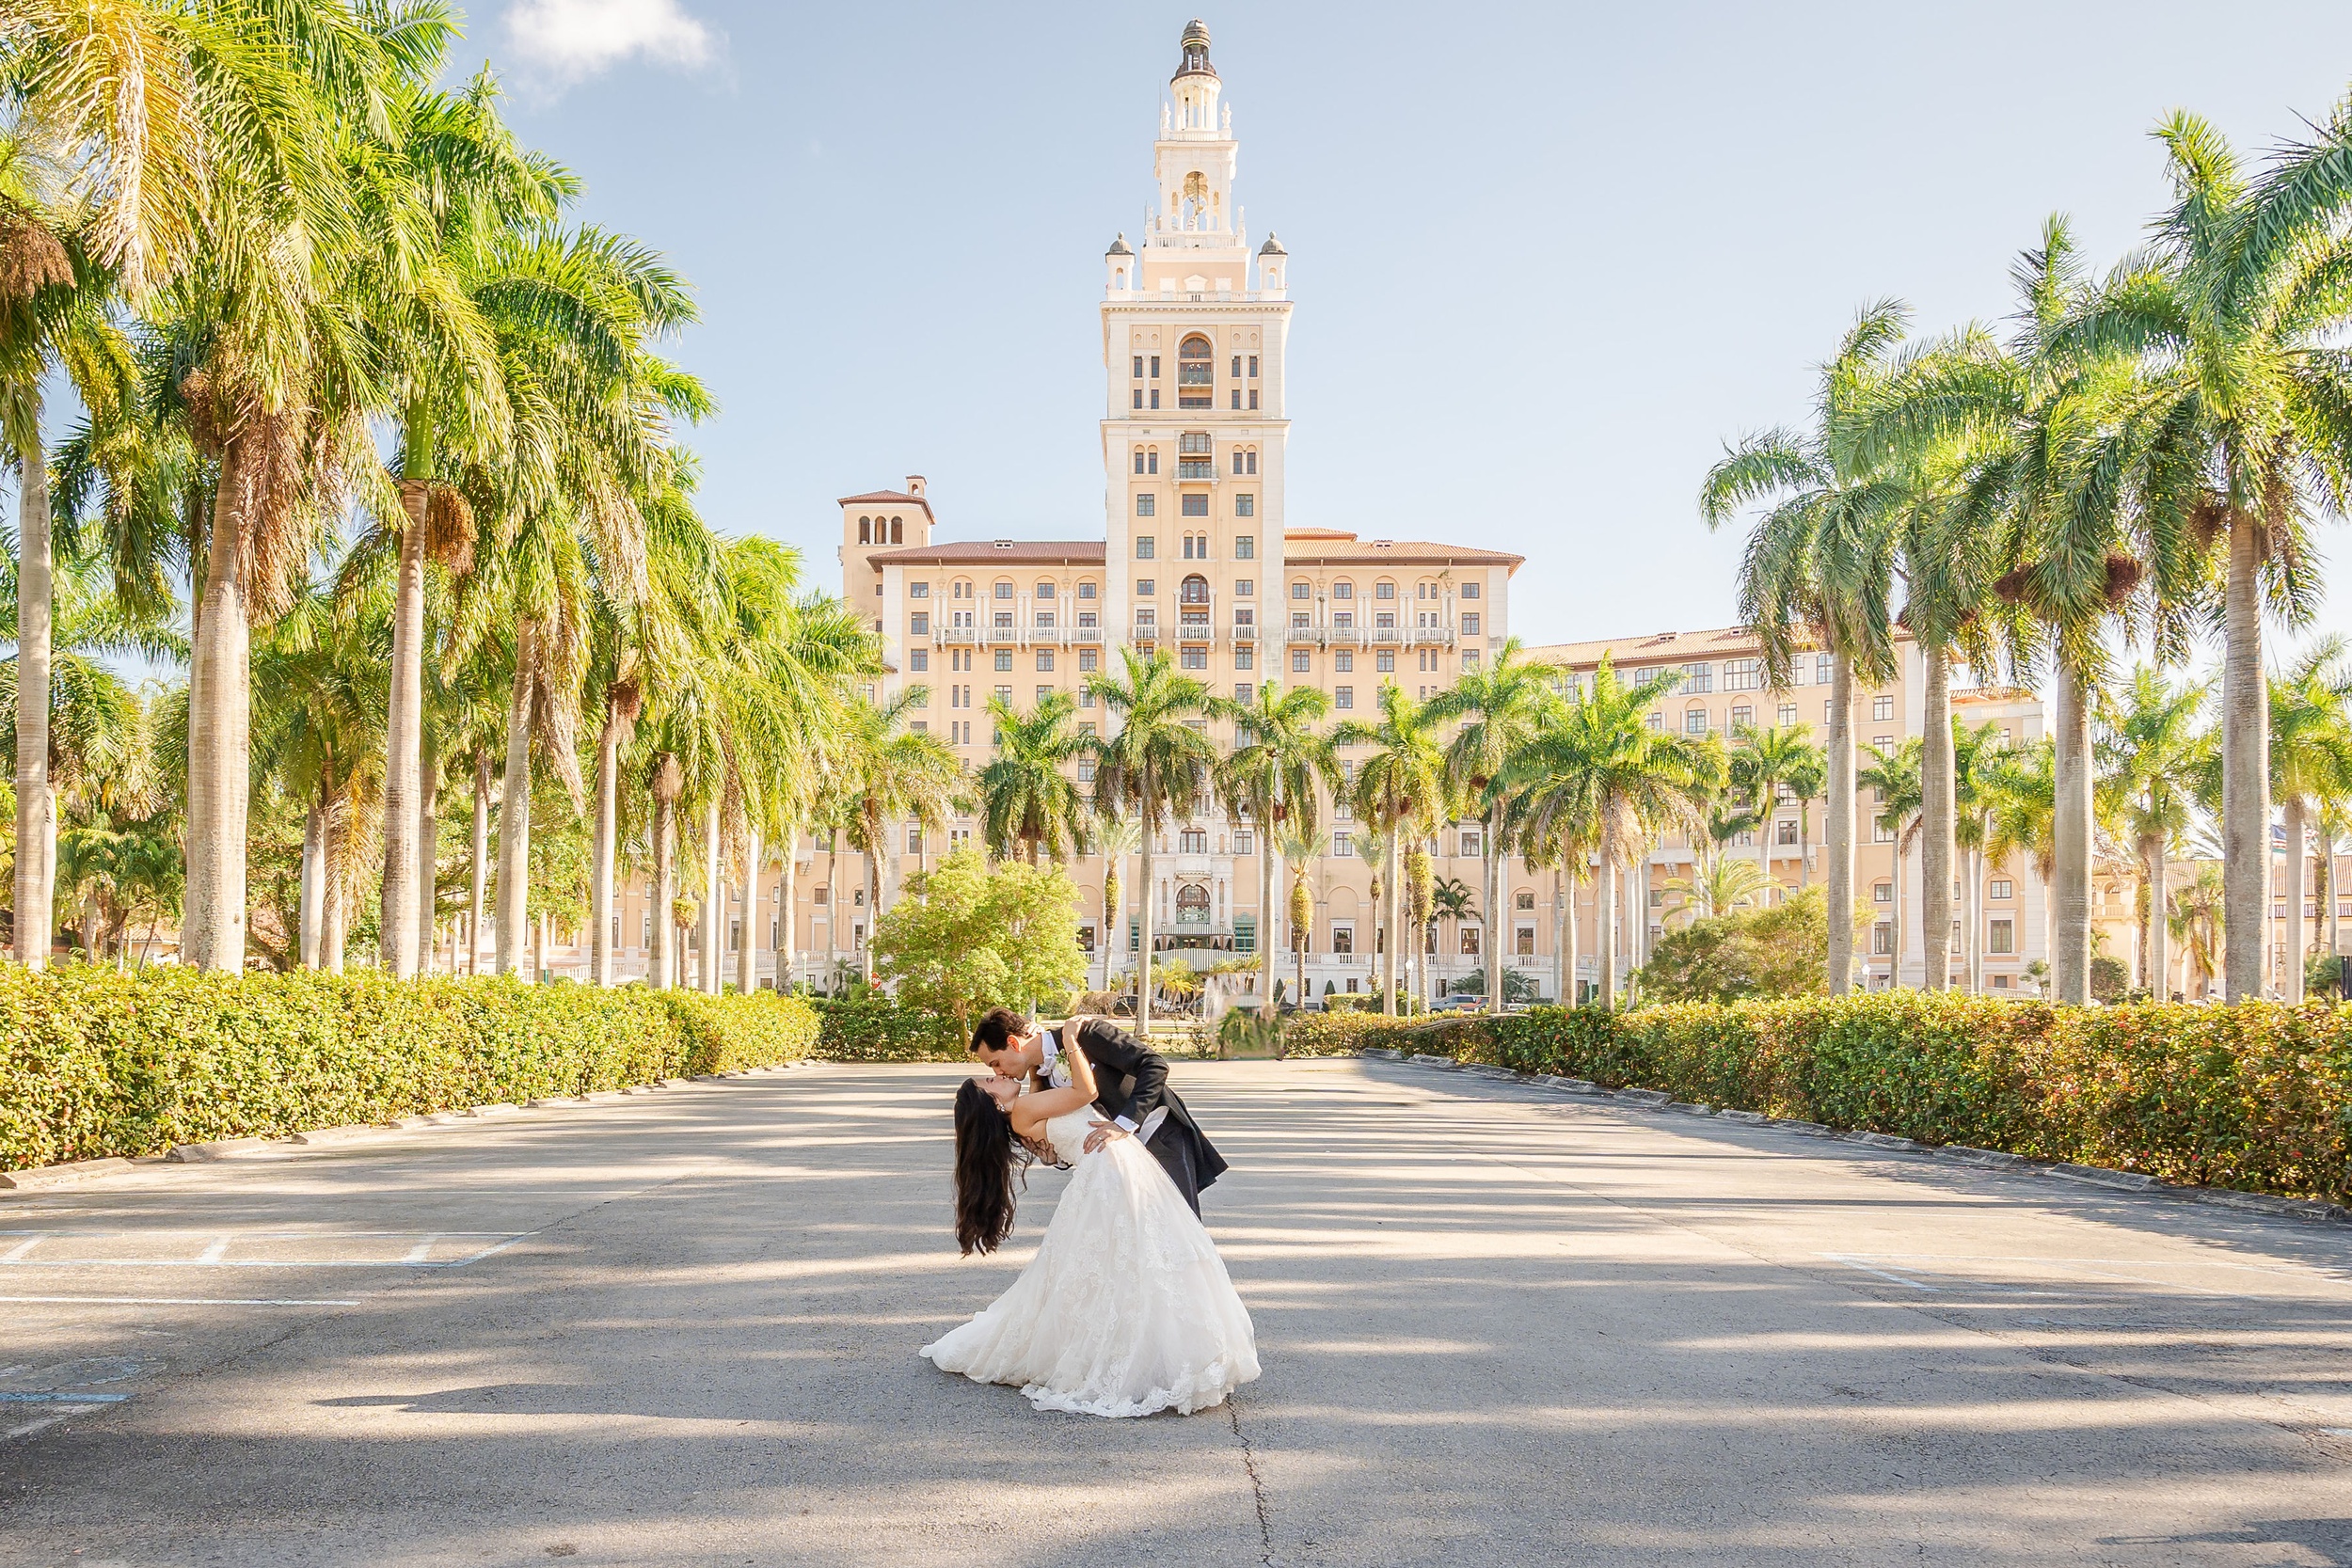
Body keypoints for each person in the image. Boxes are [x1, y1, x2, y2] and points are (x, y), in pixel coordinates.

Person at [921, 1033, 1259, 1418]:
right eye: (990, 1080)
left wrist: (1036, 1065)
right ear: (994, 1102)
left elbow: (1057, 1107)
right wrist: (1071, 1040)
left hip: (1119, 1170)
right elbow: (1084, 1092)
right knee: (1144, 1261)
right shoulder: (1023, 1111)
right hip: (1112, 1175)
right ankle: (1156, 1356)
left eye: (993, 1069)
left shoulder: (1027, 1107)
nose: (997, 1074)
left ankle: (1157, 1353)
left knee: (1134, 1263)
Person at [968, 1007, 1227, 1216]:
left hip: (1159, 1137)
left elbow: (1154, 1065)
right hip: (1118, 1168)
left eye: (995, 1063)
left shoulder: (1085, 1032)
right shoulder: (1041, 1081)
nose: (997, 1072)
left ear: (1013, 1043)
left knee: (1182, 1227)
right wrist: (1054, 1158)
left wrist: (1125, 1123)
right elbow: (1073, 1133)